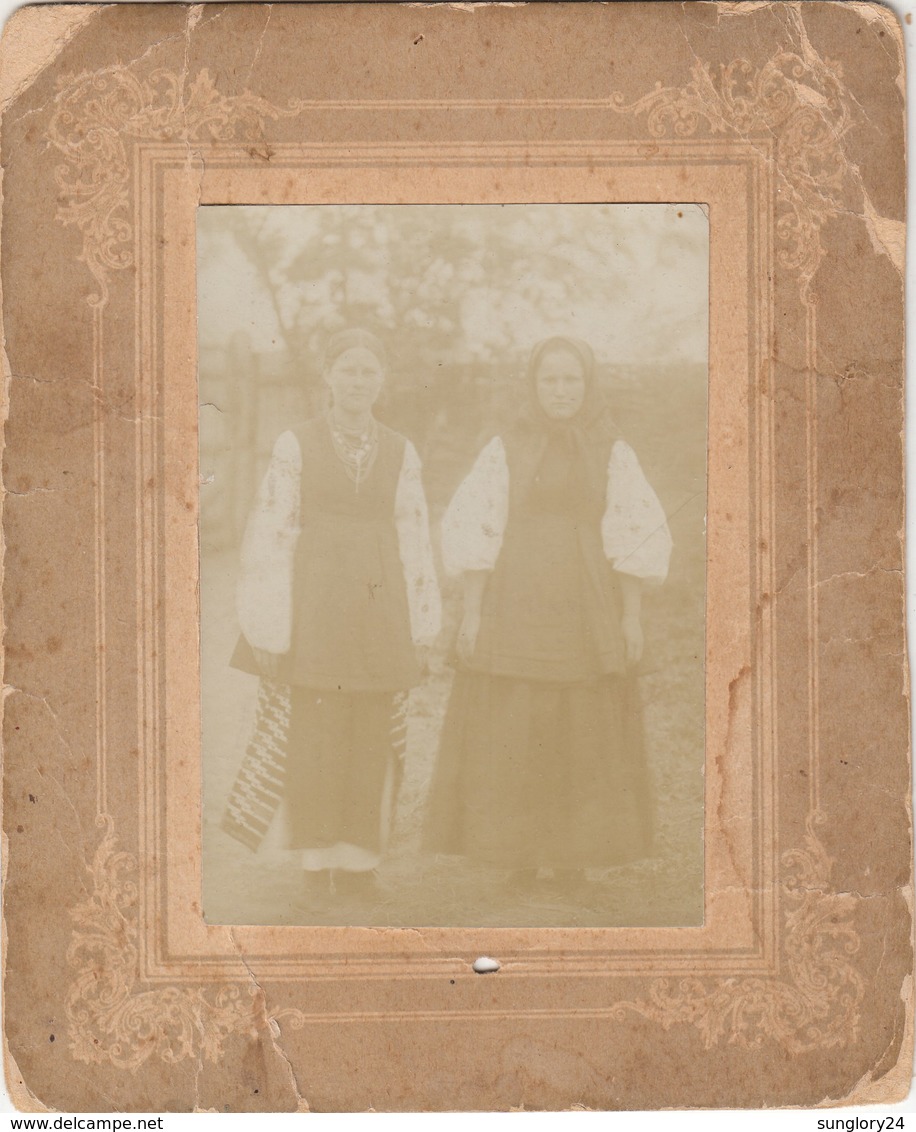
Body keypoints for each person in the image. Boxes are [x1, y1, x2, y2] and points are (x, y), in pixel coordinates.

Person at [424, 336, 672, 895]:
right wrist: (472, 613)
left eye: (571, 381)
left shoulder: (612, 449)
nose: (561, 392)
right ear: (533, 387)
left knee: (580, 722)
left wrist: (631, 618)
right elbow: (477, 525)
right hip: (516, 596)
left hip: (587, 601)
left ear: (588, 386)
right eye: (550, 381)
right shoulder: (504, 447)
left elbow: (632, 534)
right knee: (517, 718)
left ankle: (572, 858)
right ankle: (516, 854)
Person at [235, 328, 441, 905]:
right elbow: (273, 531)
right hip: (316, 600)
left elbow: (415, 534)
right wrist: (271, 624)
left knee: (370, 730)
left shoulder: (401, 450)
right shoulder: (295, 445)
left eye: (368, 371)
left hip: (380, 605)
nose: (357, 381)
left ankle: (358, 864)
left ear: (383, 381)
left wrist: (421, 624)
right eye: (347, 370)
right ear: (328, 375)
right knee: (316, 729)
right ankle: (314, 860)